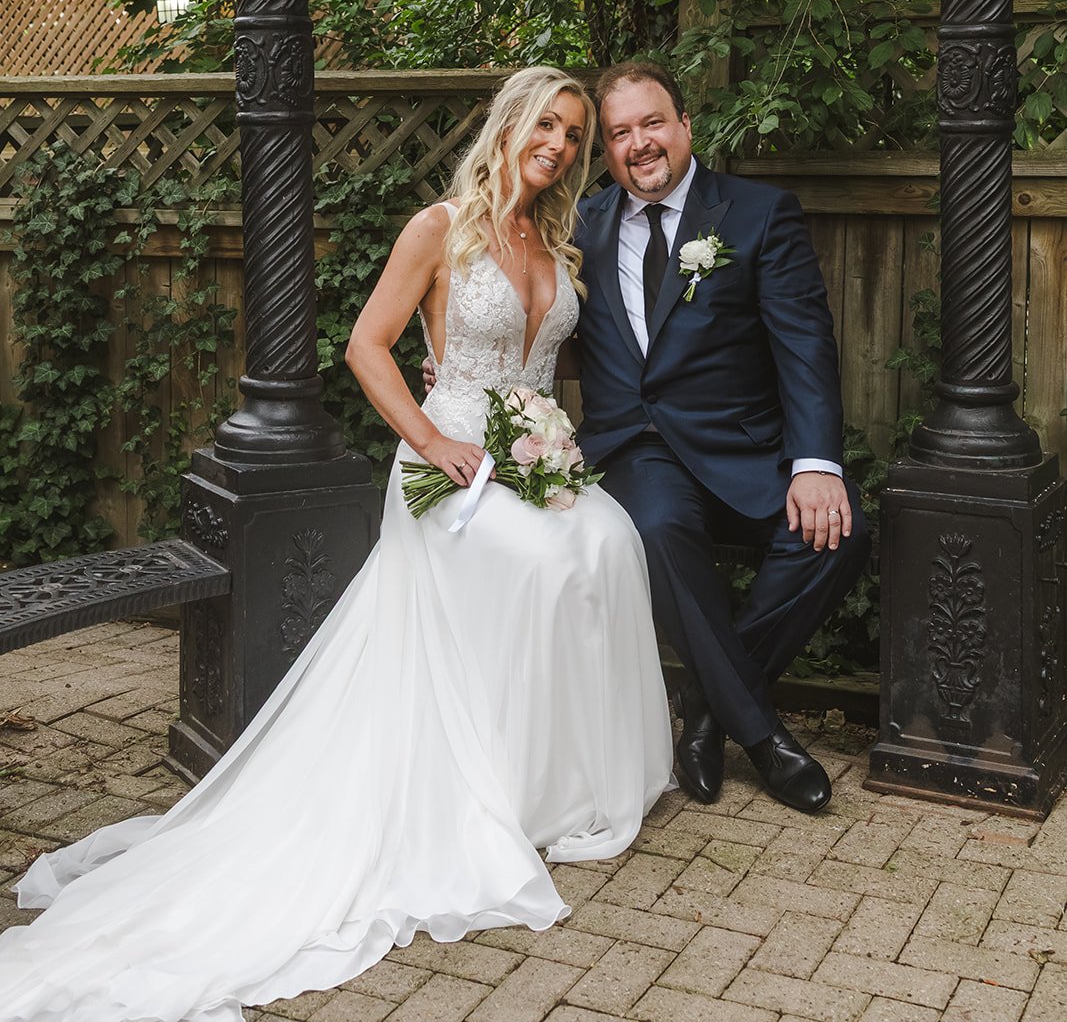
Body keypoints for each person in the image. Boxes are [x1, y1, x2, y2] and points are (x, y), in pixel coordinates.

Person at [0, 65, 673, 1022]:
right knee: (539, 563)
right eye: (548, 124)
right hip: (443, 461)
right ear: (509, 122)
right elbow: (367, 345)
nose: (560, 145)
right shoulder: (441, 227)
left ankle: (562, 788)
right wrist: (434, 436)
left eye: (573, 133)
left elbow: (546, 361)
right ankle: (499, 796)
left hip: (524, 454)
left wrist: (545, 446)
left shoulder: (551, 241)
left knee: (606, 541)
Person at [576, 60, 871, 815]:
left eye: (651, 123)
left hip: (741, 450)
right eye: (619, 133)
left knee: (834, 534)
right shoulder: (577, 228)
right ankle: (766, 740)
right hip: (636, 451)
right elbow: (520, 311)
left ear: (683, 127)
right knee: (658, 529)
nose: (638, 143)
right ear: (605, 150)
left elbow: (804, 345)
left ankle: (709, 716)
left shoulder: (756, 213)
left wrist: (814, 463)